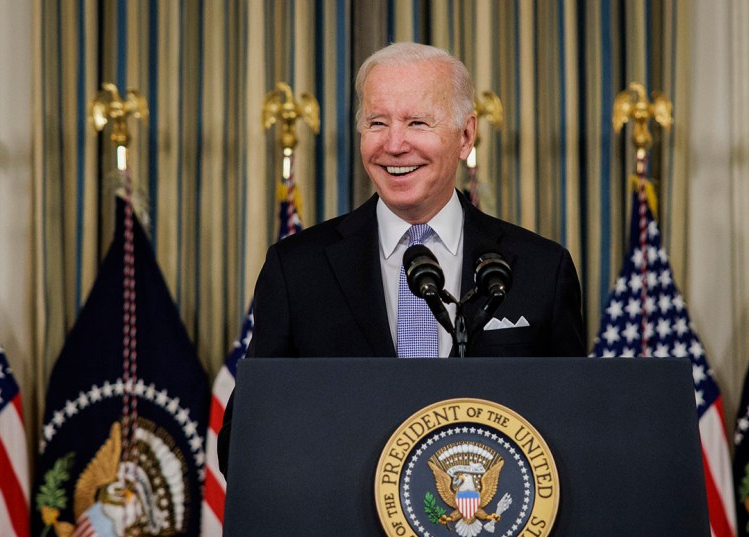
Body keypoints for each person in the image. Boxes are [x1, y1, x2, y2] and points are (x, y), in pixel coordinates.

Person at [218, 42, 585, 476]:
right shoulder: (297, 270)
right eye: (377, 122)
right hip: (341, 533)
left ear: (465, 136)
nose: (394, 145)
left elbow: (573, 435)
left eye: (417, 122)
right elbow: (244, 440)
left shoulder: (541, 268)